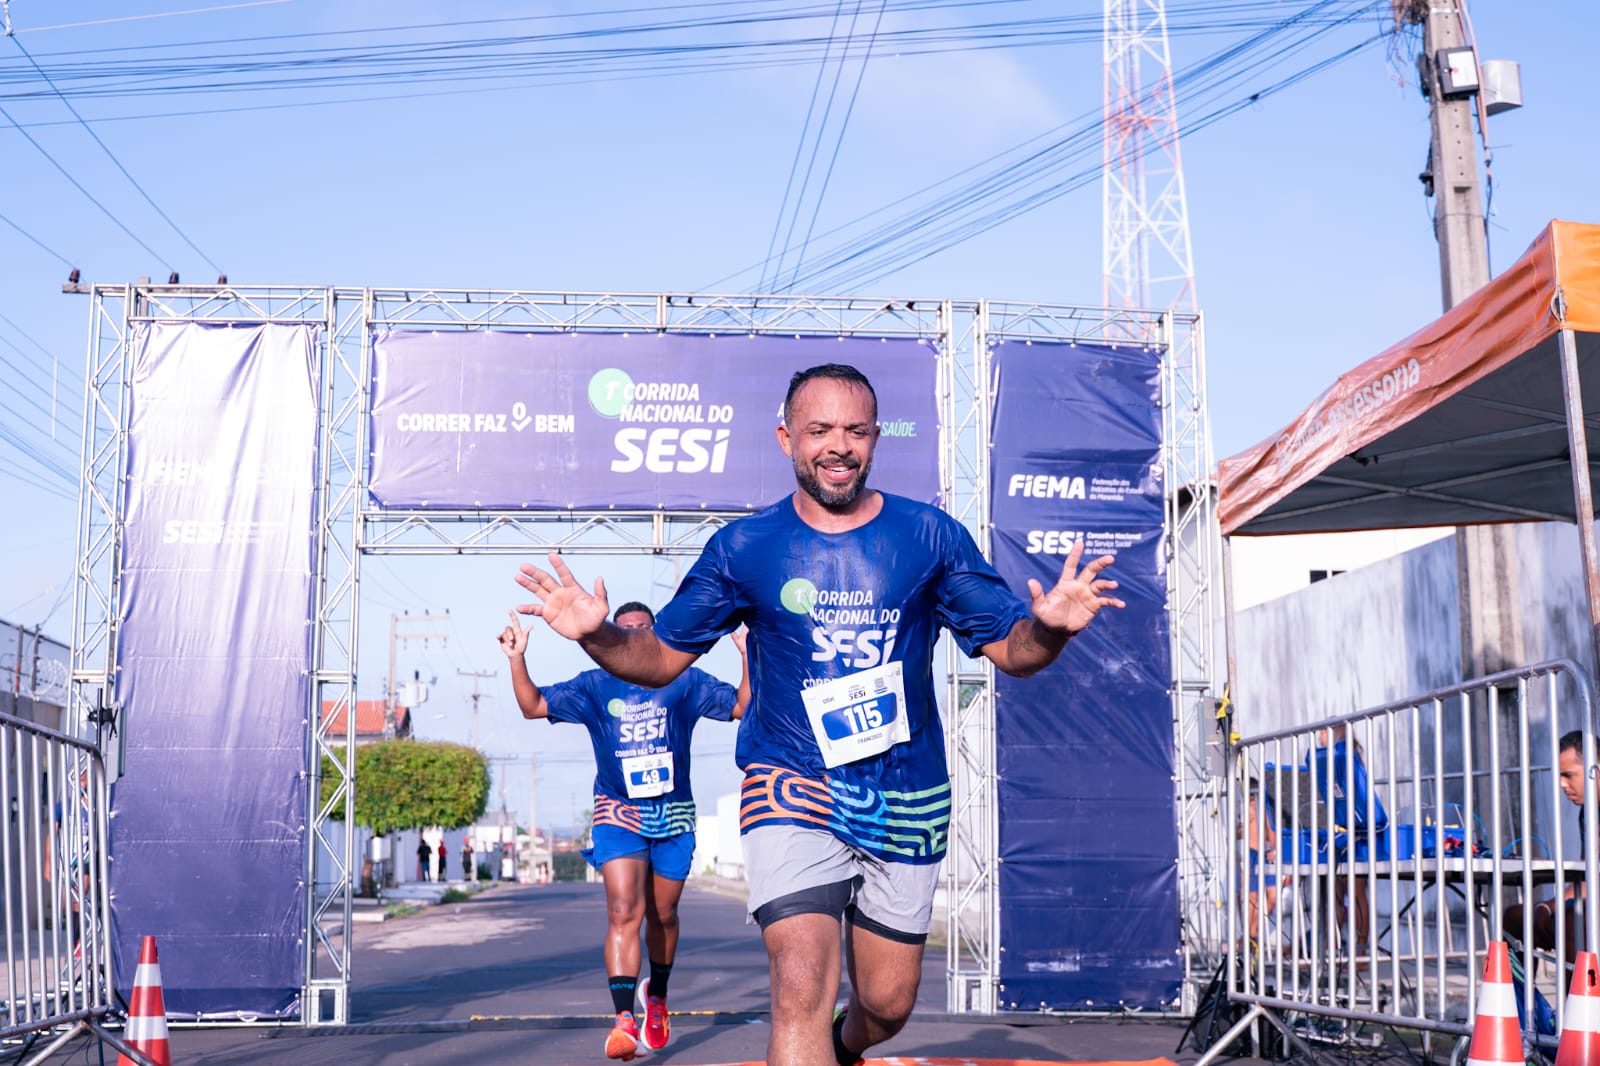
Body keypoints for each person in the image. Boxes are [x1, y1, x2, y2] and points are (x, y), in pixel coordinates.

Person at [513, 363, 1124, 1066]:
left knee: (889, 1005)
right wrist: (597, 634)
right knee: (799, 982)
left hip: (907, 796)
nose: (839, 446)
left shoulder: (929, 536)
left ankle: (844, 1046)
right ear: (786, 439)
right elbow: (658, 660)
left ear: (874, 439)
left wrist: (1050, 628)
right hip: (790, 787)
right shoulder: (744, 548)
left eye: (856, 431)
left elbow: (1013, 651)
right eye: (820, 430)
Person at [499, 600, 749, 1061]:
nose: (633, 636)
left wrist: (747, 653)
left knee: (664, 915)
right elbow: (533, 706)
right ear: (614, 637)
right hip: (618, 811)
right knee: (622, 911)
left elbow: (740, 705)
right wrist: (517, 657)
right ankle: (622, 1021)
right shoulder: (594, 685)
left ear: (655, 636)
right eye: (625, 629)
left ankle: (657, 999)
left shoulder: (685, 680)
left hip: (673, 815)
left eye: (643, 630)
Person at [1503, 729, 1592, 962]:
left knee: (1574, 919)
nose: (1562, 784)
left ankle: (1574, 999)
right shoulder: (1587, 812)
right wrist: (1547, 907)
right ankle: (1522, 999)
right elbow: (1586, 879)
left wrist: (1552, 907)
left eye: (1568, 775)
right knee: (1514, 918)